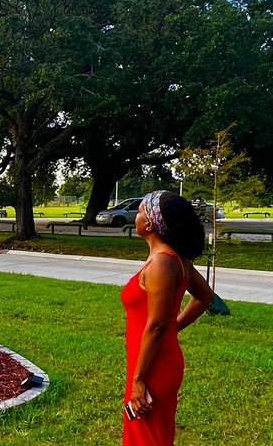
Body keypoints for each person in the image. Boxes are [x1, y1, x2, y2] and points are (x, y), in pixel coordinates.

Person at [122, 191, 214, 445]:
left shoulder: (163, 263)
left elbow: (157, 324)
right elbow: (204, 297)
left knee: (147, 437)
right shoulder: (175, 259)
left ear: (150, 224)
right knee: (150, 434)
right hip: (152, 357)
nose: (136, 216)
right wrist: (173, 328)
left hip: (153, 366)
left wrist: (138, 379)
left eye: (140, 211)